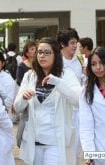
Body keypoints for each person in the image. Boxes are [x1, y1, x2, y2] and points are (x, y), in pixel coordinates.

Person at [14, 37, 81, 165]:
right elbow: (17, 108)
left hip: (55, 141)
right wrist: (23, 97)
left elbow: (77, 100)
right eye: (39, 52)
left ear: (55, 54)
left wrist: (58, 83)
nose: (42, 56)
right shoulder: (30, 76)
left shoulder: (66, 75)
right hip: (34, 140)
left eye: (47, 52)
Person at [56, 27, 82, 163]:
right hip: (62, 110)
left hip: (78, 111)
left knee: (77, 149)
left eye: (76, 42)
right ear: (62, 44)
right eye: (72, 42)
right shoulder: (56, 62)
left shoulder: (81, 61)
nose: (75, 46)